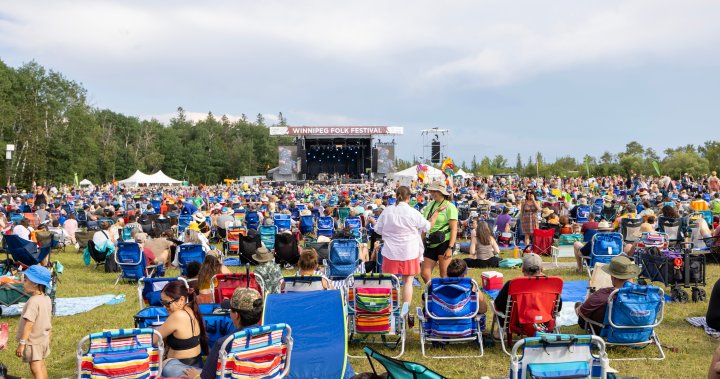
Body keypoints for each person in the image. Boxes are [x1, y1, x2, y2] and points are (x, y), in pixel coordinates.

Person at [182, 287, 263, 379]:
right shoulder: (274, 335)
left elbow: (206, 377)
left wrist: (195, 376)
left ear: (236, 315)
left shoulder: (225, 344)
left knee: (170, 365)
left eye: (230, 310)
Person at [374, 186, 431, 312]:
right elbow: (427, 227)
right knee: (408, 281)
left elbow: (377, 229)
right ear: (409, 198)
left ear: (396, 196)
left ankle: (388, 309)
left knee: (389, 281)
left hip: (390, 252)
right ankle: (405, 311)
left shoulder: (387, 211)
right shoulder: (413, 212)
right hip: (409, 251)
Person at [575, 255, 640, 331]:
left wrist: (579, 308)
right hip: (637, 329)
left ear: (613, 277)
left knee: (579, 306)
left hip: (607, 330)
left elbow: (582, 312)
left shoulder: (603, 295)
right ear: (632, 276)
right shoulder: (643, 294)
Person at [157, 280, 208, 377]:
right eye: (162, 303)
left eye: (167, 303)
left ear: (181, 300)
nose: (165, 307)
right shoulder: (192, 310)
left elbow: (154, 339)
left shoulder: (177, 316)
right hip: (196, 364)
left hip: (174, 367)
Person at [493, 253, 557, 329]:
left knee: (499, 308)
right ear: (542, 269)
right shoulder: (552, 284)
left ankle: (498, 332)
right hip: (544, 322)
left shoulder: (513, 284)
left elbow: (499, 305)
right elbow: (557, 307)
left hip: (517, 323)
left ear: (522, 269)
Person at [15, 265, 53, 379]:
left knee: (35, 368)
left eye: (25, 280)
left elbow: (29, 325)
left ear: (35, 283)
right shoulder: (46, 298)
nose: (23, 282)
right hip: (43, 339)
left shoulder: (33, 302)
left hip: (33, 342)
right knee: (41, 365)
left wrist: (22, 344)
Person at [420, 182, 458, 283]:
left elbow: (454, 229)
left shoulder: (450, 206)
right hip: (431, 242)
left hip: (444, 242)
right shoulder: (430, 205)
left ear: (441, 192)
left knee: (444, 274)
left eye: (434, 191)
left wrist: (450, 248)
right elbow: (425, 224)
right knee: (424, 273)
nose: (432, 193)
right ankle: (433, 291)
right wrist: (421, 241)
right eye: (431, 191)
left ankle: (445, 296)